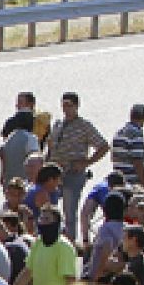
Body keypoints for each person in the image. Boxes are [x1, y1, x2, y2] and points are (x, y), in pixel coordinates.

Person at [49, 91, 109, 241]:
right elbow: (50, 146)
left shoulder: (84, 126)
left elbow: (103, 146)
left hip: (73, 173)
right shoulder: (58, 125)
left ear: (76, 106)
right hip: (54, 174)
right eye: (63, 105)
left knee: (69, 211)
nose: (66, 109)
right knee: (50, 208)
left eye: (69, 105)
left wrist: (87, 162)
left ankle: (71, 242)